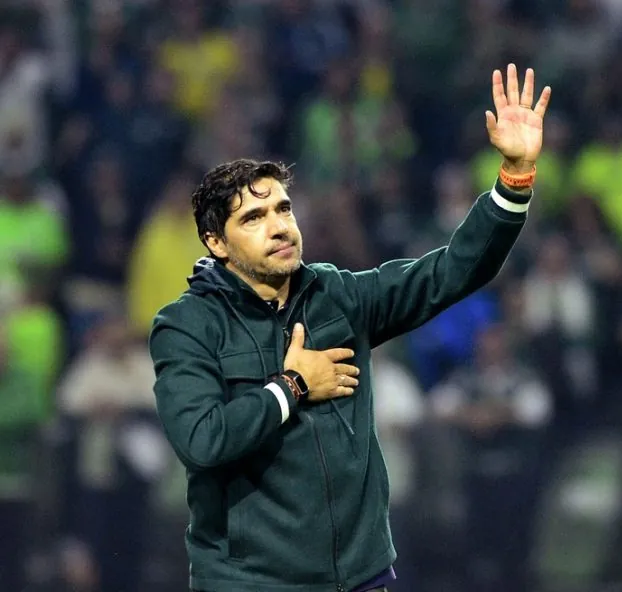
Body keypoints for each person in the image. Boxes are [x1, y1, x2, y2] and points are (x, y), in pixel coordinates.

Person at [149, 64, 551, 592]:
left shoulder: (337, 295)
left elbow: (451, 271)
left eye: (283, 209)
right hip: (252, 582)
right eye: (253, 218)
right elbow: (202, 440)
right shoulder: (187, 325)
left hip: (360, 577)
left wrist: (514, 178)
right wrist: (292, 386)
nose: (279, 227)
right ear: (216, 243)